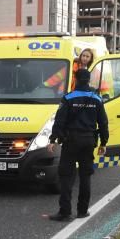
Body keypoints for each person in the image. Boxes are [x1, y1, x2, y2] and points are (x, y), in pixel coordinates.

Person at [47, 68, 109, 222]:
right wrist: (104, 142)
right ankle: (82, 210)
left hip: (71, 141)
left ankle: (65, 212)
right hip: (88, 141)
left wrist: (53, 139)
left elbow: (59, 121)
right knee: (85, 176)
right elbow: (103, 123)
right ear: (88, 80)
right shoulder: (96, 98)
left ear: (75, 79)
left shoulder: (68, 98)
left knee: (67, 176)